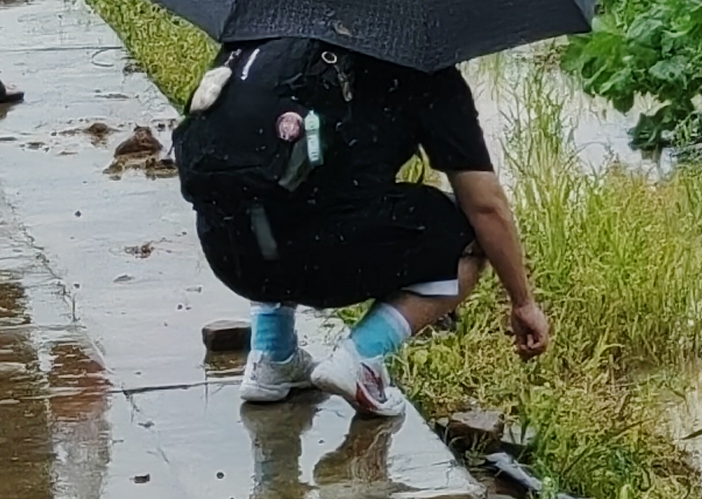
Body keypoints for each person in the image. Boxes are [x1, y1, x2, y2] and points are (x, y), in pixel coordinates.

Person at [218, 52, 554, 417]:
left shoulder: (262, 44)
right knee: (468, 233)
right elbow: (486, 206)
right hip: (314, 256)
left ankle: (271, 353)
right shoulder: (421, 67)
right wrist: (522, 302)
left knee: (277, 190)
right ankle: (360, 357)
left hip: (230, 248)